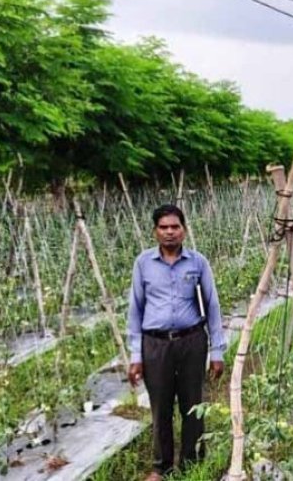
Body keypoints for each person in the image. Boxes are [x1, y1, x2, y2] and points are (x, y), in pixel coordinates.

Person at [127, 204, 227, 481]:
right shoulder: (143, 264)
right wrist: (136, 355)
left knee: (192, 404)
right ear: (155, 231)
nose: (170, 232)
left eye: (175, 227)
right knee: (160, 406)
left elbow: (213, 306)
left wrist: (217, 350)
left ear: (184, 229)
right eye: (164, 227)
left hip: (192, 341)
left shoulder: (197, 263)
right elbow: (135, 309)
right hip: (155, 345)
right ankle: (162, 466)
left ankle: (192, 461)